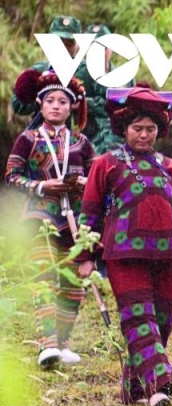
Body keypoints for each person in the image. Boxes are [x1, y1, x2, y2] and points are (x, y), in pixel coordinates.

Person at [77, 86, 172, 406]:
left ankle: (135, 390)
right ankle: (160, 385)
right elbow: (90, 211)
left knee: (163, 322)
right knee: (139, 318)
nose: (144, 135)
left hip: (169, 254)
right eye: (137, 129)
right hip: (123, 255)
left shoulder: (169, 166)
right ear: (124, 129)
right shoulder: (107, 164)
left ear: (160, 131)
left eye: (151, 129)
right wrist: (85, 257)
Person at [5, 68, 95, 367]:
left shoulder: (81, 142)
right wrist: (43, 185)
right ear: (40, 105)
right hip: (38, 218)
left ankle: (65, 343)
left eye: (62, 102)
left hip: (75, 220)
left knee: (72, 282)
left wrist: (83, 183)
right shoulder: (28, 138)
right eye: (50, 101)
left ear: (72, 107)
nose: (56, 106)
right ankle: (48, 344)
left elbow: (97, 179)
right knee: (44, 277)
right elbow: (12, 176)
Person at [11, 16, 86, 119]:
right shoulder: (38, 71)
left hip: (81, 132)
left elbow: (114, 98)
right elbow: (16, 103)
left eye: (69, 43)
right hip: (43, 132)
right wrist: (37, 100)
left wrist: (83, 102)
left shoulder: (90, 71)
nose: (63, 48)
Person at [80, 23, 128, 153]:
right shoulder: (78, 75)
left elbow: (126, 109)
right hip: (85, 141)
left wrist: (87, 102)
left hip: (117, 143)